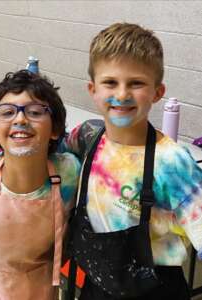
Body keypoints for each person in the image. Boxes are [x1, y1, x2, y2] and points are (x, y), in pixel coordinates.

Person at [64, 23, 202, 300]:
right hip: (97, 285)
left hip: (155, 289)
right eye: (110, 82)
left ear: (157, 92)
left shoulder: (172, 161)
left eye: (136, 83)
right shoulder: (86, 137)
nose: (122, 94)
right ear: (93, 89)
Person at [0, 70, 80, 299]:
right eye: (7, 112)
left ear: (55, 129)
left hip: (38, 291)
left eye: (35, 112)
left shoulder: (70, 174)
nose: (20, 119)